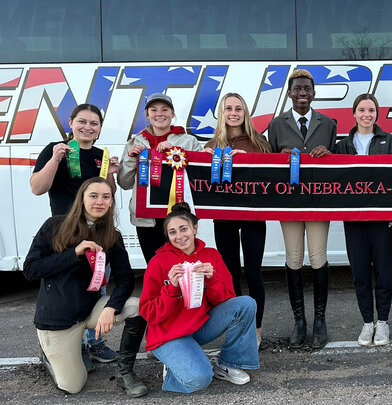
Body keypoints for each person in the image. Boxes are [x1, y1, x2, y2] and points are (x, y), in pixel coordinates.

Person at [23, 177, 147, 397]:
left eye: (106, 197)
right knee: (73, 386)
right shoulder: (54, 225)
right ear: (81, 198)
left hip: (90, 311)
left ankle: (124, 372)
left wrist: (111, 307)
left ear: (111, 202)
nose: (99, 201)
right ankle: (48, 356)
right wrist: (74, 253)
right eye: (93, 195)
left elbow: (126, 279)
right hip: (58, 320)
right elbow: (31, 269)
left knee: (137, 307)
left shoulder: (113, 236)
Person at [29, 104, 121, 369]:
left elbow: (107, 194)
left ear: (100, 128)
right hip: (64, 232)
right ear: (71, 122)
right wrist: (55, 159)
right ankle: (72, 345)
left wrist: (111, 176)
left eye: (94, 123)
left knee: (97, 285)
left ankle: (94, 343)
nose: (87, 127)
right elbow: (37, 188)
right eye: (82, 121)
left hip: (96, 231)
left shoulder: (101, 155)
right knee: (65, 290)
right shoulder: (55, 148)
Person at [139, 203, 259, 394]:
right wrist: (171, 288)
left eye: (183, 229)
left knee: (245, 304)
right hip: (168, 333)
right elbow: (148, 312)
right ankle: (174, 367)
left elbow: (227, 300)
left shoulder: (211, 255)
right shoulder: (158, 262)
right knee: (200, 379)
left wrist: (212, 279)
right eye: (172, 232)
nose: (179, 236)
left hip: (198, 325)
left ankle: (228, 364)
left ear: (195, 228)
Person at [267, 69, 337, 349]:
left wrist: (329, 156)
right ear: (289, 93)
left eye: (307, 89)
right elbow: (269, 166)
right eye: (297, 89)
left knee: (318, 258)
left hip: (319, 203)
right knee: (294, 259)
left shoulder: (328, 124)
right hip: (290, 205)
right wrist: (279, 159)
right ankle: (299, 321)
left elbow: (336, 165)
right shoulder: (276, 124)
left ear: (314, 92)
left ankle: (320, 320)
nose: (302, 93)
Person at [203, 92, 271, 346]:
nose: (233, 113)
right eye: (228, 108)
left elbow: (270, 178)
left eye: (238, 109)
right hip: (224, 219)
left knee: (254, 272)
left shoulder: (259, 142)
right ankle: (238, 326)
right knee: (230, 274)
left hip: (254, 217)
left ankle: (256, 328)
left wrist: (248, 160)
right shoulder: (211, 146)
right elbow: (203, 183)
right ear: (222, 113)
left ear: (245, 113)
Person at [335, 94, 392, 346]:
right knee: (360, 271)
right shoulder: (343, 145)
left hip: (382, 218)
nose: (366, 114)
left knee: (384, 272)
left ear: (377, 114)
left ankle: (382, 322)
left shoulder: (389, 141)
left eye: (371, 110)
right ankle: (367, 322)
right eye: (361, 110)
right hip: (353, 218)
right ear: (354, 114)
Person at [118, 93, 203, 266]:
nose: (160, 114)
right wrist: (130, 158)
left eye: (165, 109)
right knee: (155, 266)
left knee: (184, 266)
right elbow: (124, 183)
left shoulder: (189, 141)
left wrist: (177, 152)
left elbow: (200, 179)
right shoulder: (135, 142)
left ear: (172, 114)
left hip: (180, 216)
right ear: (147, 115)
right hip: (147, 219)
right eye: (154, 110)